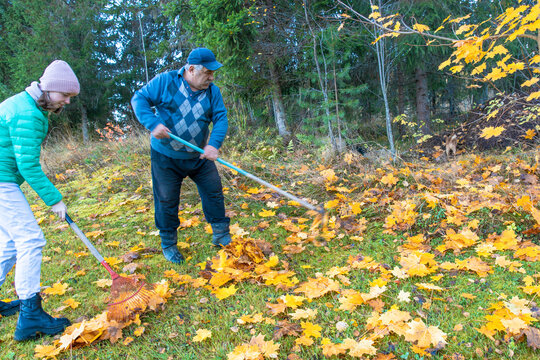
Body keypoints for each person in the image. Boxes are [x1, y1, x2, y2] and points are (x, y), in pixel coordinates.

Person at [0, 60, 80, 341]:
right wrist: (54, 199)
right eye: (65, 96)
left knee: (9, 244)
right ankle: (30, 315)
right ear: (48, 89)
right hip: (1, 182)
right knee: (30, 241)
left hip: (3, 179)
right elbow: (28, 166)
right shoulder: (28, 113)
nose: (67, 101)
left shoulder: (25, 103)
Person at [131, 47, 232, 264]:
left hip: (199, 157)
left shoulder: (212, 92)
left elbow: (221, 118)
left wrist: (213, 145)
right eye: (207, 72)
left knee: (213, 191)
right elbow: (139, 99)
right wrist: (153, 123)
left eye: (213, 72)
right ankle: (168, 244)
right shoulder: (165, 82)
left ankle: (221, 235)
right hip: (165, 157)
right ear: (191, 69)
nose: (211, 77)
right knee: (166, 199)